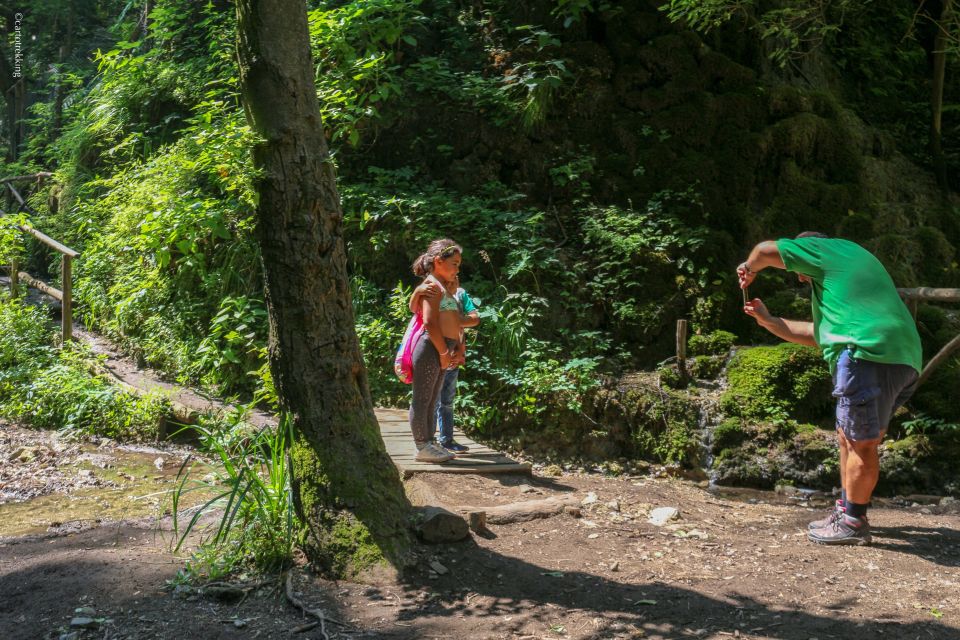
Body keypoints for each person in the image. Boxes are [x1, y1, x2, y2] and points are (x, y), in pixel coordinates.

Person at [737, 232, 921, 545]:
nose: (798, 276)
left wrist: (749, 269)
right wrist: (768, 321)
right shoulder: (848, 271)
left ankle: (852, 521)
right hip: (903, 357)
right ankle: (847, 509)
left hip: (866, 352)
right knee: (851, 435)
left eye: (798, 267)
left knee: (859, 442)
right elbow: (819, 335)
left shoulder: (824, 251)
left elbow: (764, 251)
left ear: (808, 247)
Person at [408, 239, 467, 463]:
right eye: (454, 263)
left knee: (433, 398)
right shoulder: (432, 286)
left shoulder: (443, 286)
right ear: (439, 261)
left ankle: (430, 443)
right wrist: (443, 353)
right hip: (431, 348)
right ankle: (422, 445)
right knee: (422, 398)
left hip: (442, 349)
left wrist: (453, 349)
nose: (457, 268)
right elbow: (430, 323)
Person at [410, 274, 480, 453]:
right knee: (428, 398)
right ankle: (427, 441)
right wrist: (417, 291)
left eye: (456, 278)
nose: (453, 282)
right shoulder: (433, 290)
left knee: (445, 400)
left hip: (453, 355)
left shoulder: (460, 296)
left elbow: (472, 320)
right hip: (436, 351)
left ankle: (446, 440)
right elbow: (418, 312)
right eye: (449, 281)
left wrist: (460, 351)